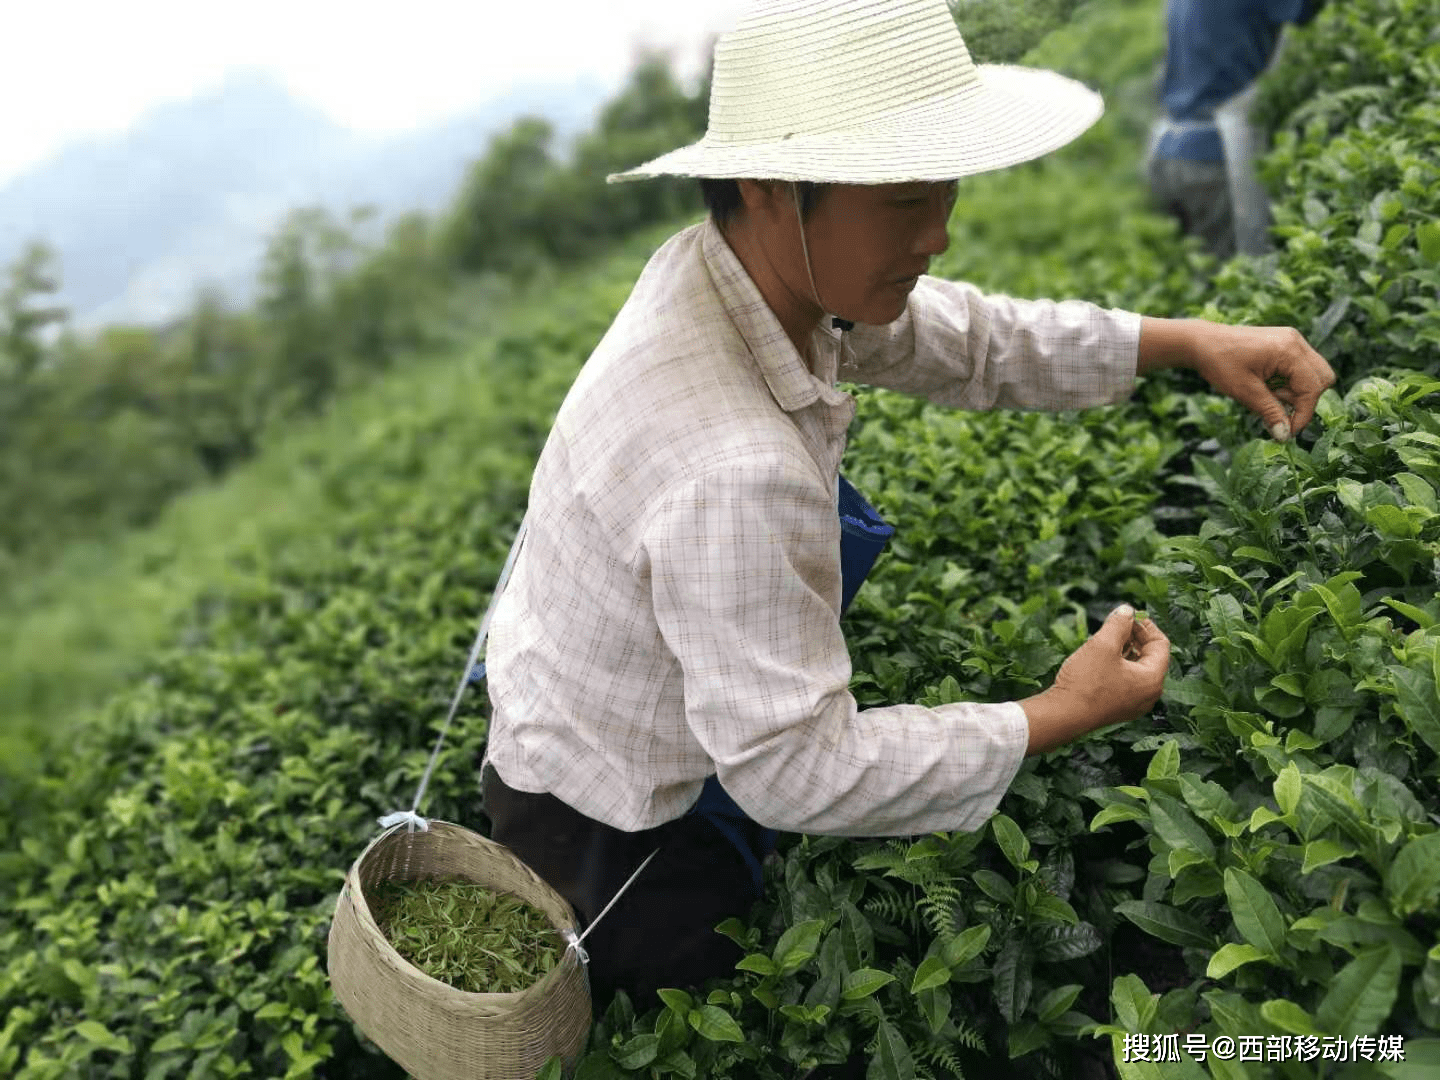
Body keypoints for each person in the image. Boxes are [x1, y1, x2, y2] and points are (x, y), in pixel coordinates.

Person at [479, 0, 1335, 1012]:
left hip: (579, 703)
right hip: (602, 826)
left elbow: (964, 337)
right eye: (902, 199)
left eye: (945, 188)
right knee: (689, 974)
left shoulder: (737, 270)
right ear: (768, 187)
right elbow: (794, 770)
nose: (937, 232)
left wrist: (1186, 339)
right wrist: (1060, 714)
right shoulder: (733, 469)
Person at [1146, 0, 1327, 260]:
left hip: (1167, 152)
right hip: (1214, 160)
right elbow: (1307, 11)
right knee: (1236, 281)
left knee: (1195, 282)